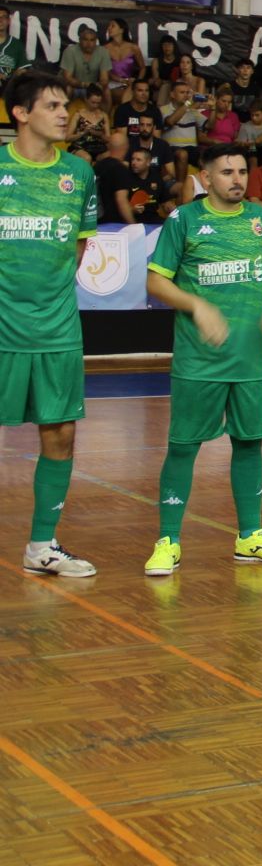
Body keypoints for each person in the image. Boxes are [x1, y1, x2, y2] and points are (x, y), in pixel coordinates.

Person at [140, 144, 262, 576]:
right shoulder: (185, 220)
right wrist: (197, 306)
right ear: (206, 178)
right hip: (199, 361)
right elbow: (156, 281)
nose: (237, 179)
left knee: (249, 442)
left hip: (250, 359)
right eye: (226, 172)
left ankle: (250, 536)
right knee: (183, 446)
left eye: (242, 171)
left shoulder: (259, 219)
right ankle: (168, 539)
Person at [2, 73, 100, 577]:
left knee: (60, 434)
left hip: (58, 328)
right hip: (2, 328)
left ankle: (42, 545)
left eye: (67, 105)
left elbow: (78, 247)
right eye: (53, 105)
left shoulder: (80, 174)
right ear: (21, 113)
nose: (65, 114)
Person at [59, 26, 111, 94]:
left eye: (92, 40)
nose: (89, 43)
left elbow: (104, 78)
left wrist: (99, 85)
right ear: (80, 40)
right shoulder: (70, 51)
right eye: (85, 39)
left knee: (106, 90)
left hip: (93, 88)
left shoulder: (103, 52)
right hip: (74, 87)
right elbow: (68, 78)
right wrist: (83, 84)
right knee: (68, 88)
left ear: (96, 41)